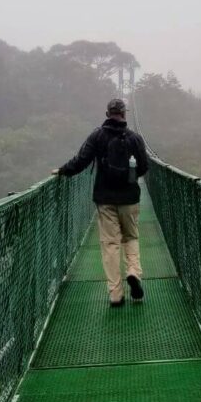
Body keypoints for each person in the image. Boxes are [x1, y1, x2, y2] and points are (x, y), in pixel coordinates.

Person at [54, 98, 149, 307]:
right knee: (131, 237)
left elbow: (81, 161)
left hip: (105, 199)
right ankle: (133, 272)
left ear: (107, 114)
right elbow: (144, 167)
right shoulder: (135, 138)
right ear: (124, 114)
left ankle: (116, 294)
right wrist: (129, 175)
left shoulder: (97, 135)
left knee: (111, 244)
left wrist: (62, 170)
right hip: (130, 198)